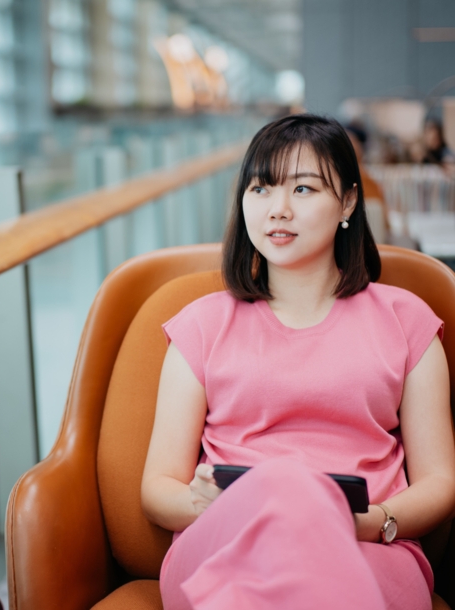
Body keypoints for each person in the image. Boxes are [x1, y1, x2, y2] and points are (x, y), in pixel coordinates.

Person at [141, 114, 455, 609]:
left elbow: (440, 481)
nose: (277, 210)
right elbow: (157, 488)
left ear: (348, 201)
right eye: (261, 189)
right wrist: (200, 502)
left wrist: (377, 520)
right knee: (283, 488)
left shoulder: (406, 321)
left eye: (304, 190)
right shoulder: (200, 325)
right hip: (229, 541)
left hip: (366, 545)